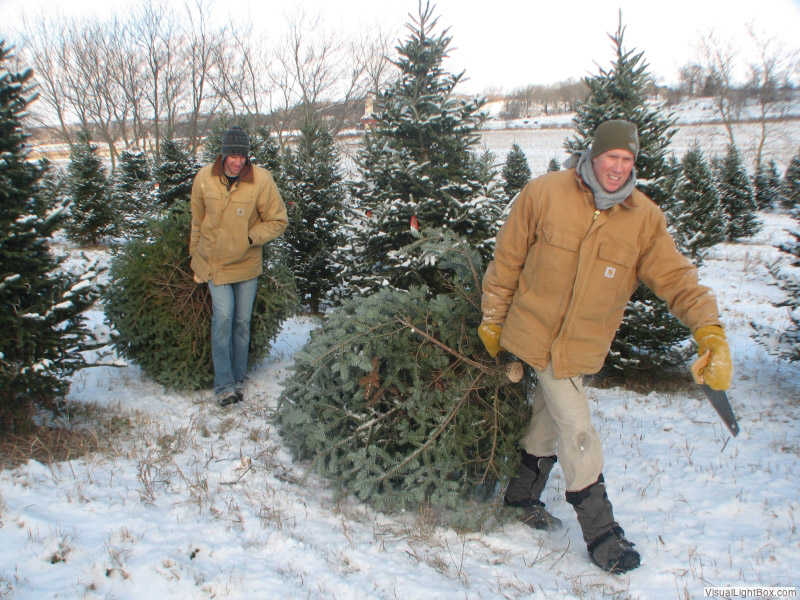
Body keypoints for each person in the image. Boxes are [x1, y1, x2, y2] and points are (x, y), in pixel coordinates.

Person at [478, 119, 732, 574]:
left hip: (578, 346)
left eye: (627, 159)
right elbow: (508, 258)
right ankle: (601, 535)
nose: (618, 167)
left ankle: (519, 497)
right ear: (593, 155)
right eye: (612, 157)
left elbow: (677, 280)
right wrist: (493, 320)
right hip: (531, 332)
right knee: (577, 431)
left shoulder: (644, 219)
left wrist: (709, 331)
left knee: (546, 417)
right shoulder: (544, 193)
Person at [190, 126, 288, 407]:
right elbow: (197, 221)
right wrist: (195, 258)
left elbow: (278, 220)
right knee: (223, 320)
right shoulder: (204, 178)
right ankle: (224, 386)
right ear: (223, 153)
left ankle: (237, 377)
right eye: (232, 155)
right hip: (215, 264)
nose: (237, 161)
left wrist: (249, 237)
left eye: (242, 156)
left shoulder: (261, 180)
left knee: (242, 323)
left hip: (246, 265)